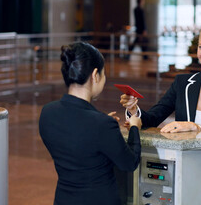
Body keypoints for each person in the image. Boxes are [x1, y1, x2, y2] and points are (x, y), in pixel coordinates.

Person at [39, 42, 141, 205]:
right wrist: (135, 126)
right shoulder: (101, 124)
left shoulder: (47, 112)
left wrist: (103, 126)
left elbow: (77, 134)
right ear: (95, 75)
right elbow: (129, 163)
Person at [121, 22, 201, 134]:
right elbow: (153, 118)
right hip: (181, 160)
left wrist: (196, 128)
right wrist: (134, 111)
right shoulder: (182, 84)